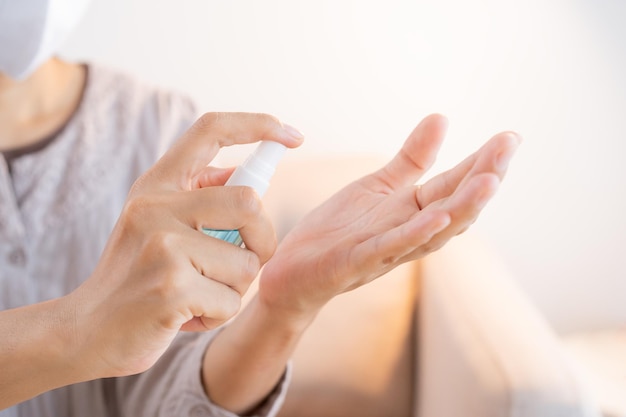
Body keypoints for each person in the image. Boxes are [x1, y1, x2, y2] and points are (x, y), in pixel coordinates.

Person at [0, 1, 521, 416]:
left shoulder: (152, 122)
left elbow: (159, 399)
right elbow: (99, 335)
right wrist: (80, 327)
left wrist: (283, 311)